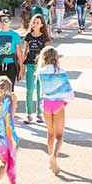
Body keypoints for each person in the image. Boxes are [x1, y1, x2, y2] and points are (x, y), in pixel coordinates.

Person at [37, 46, 74, 175]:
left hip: (46, 104)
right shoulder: (61, 71)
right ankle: (53, 157)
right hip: (58, 104)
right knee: (60, 136)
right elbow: (67, 88)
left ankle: (49, 159)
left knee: (50, 134)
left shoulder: (40, 72)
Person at [22, 14, 51, 124]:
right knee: (30, 89)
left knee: (40, 90)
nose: (35, 24)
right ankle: (29, 114)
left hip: (41, 66)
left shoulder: (44, 37)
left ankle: (39, 114)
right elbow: (25, 52)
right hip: (29, 64)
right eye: (33, 22)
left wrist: (48, 67)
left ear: (42, 24)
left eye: (37, 22)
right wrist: (21, 67)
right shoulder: (28, 36)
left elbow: (49, 53)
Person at [0, 9, 23, 90]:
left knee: (10, 88)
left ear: (10, 21)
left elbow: (19, 53)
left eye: (6, 20)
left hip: (11, 64)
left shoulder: (15, 35)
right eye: (1, 20)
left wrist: (21, 69)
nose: (4, 22)